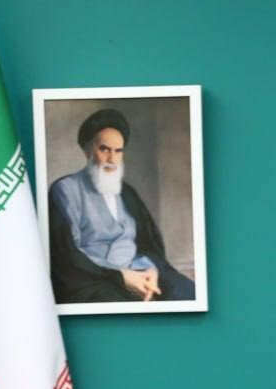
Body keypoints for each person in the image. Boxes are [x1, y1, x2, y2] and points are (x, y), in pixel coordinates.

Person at [48, 108, 195, 303]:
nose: (112, 159)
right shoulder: (66, 190)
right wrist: (121, 277)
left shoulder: (127, 192)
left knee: (187, 293)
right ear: (87, 150)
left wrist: (150, 271)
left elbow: (147, 244)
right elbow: (69, 254)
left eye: (118, 151)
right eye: (104, 149)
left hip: (140, 271)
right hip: (96, 279)